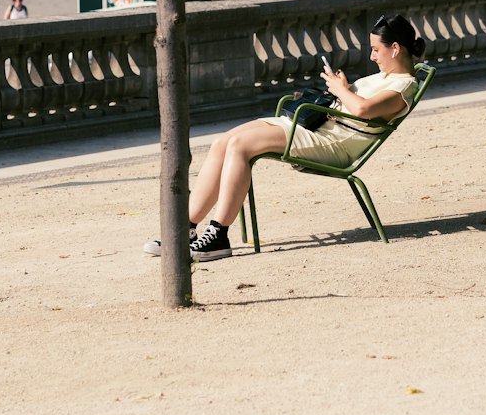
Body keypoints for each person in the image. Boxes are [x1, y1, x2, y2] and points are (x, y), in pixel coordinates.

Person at [143, 13, 424, 262]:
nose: (372, 56)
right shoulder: (384, 76)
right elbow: (356, 103)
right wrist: (344, 87)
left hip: (334, 143)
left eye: (376, 50)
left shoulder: (404, 85)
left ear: (395, 48)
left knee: (240, 146)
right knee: (223, 142)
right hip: (319, 128)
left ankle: (218, 235)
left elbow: (362, 109)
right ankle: (185, 230)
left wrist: (341, 90)